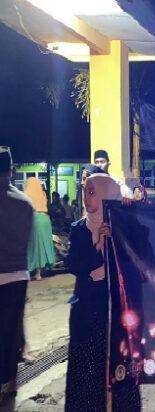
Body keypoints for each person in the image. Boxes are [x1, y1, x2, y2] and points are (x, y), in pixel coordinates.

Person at [65, 173, 145, 410]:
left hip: (118, 314)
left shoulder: (124, 227)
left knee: (120, 370)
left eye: (92, 192)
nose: (86, 198)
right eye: (84, 192)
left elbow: (144, 260)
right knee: (87, 371)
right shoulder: (79, 229)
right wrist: (98, 245)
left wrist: (128, 214)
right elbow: (74, 264)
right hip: (87, 314)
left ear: (108, 196)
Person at [0, 147, 34, 411]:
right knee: (11, 333)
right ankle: (9, 383)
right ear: (11, 170)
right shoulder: (25, 202)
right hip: (18, 274)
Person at [24, 178, 56, 281]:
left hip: (35, 219)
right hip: (45, 219)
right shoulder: (42, 194)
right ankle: (39, 272)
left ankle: (34, 273)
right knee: (42, 245)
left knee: (35, 246)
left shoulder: (27, 194)